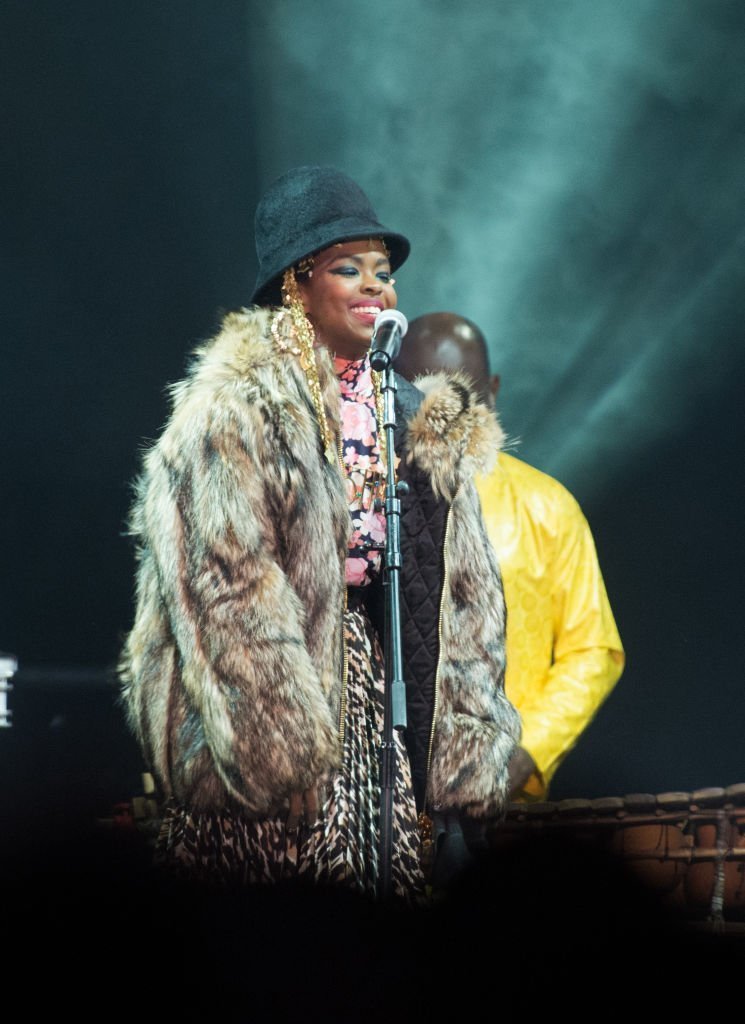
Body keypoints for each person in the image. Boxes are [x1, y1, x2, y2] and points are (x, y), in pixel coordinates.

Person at [118, 168, 520, 904]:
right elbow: (227, 588)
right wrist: (278, 749)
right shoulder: (234, 412)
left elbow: (462, 596)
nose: (377, 287)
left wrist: (462, 755)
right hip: (265, 710)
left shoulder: (412, 417)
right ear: (295, 286)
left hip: (375, 706)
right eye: (349, 269)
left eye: (384, 272)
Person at [394, 312, 624, 801]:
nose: (441, 414)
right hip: (386, 797)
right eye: (420, 395)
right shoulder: (371, 501)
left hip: (504, 805)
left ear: (492, 391)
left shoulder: (547, 506)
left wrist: (526, 752)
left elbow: (592, 650)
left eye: (460, 396)